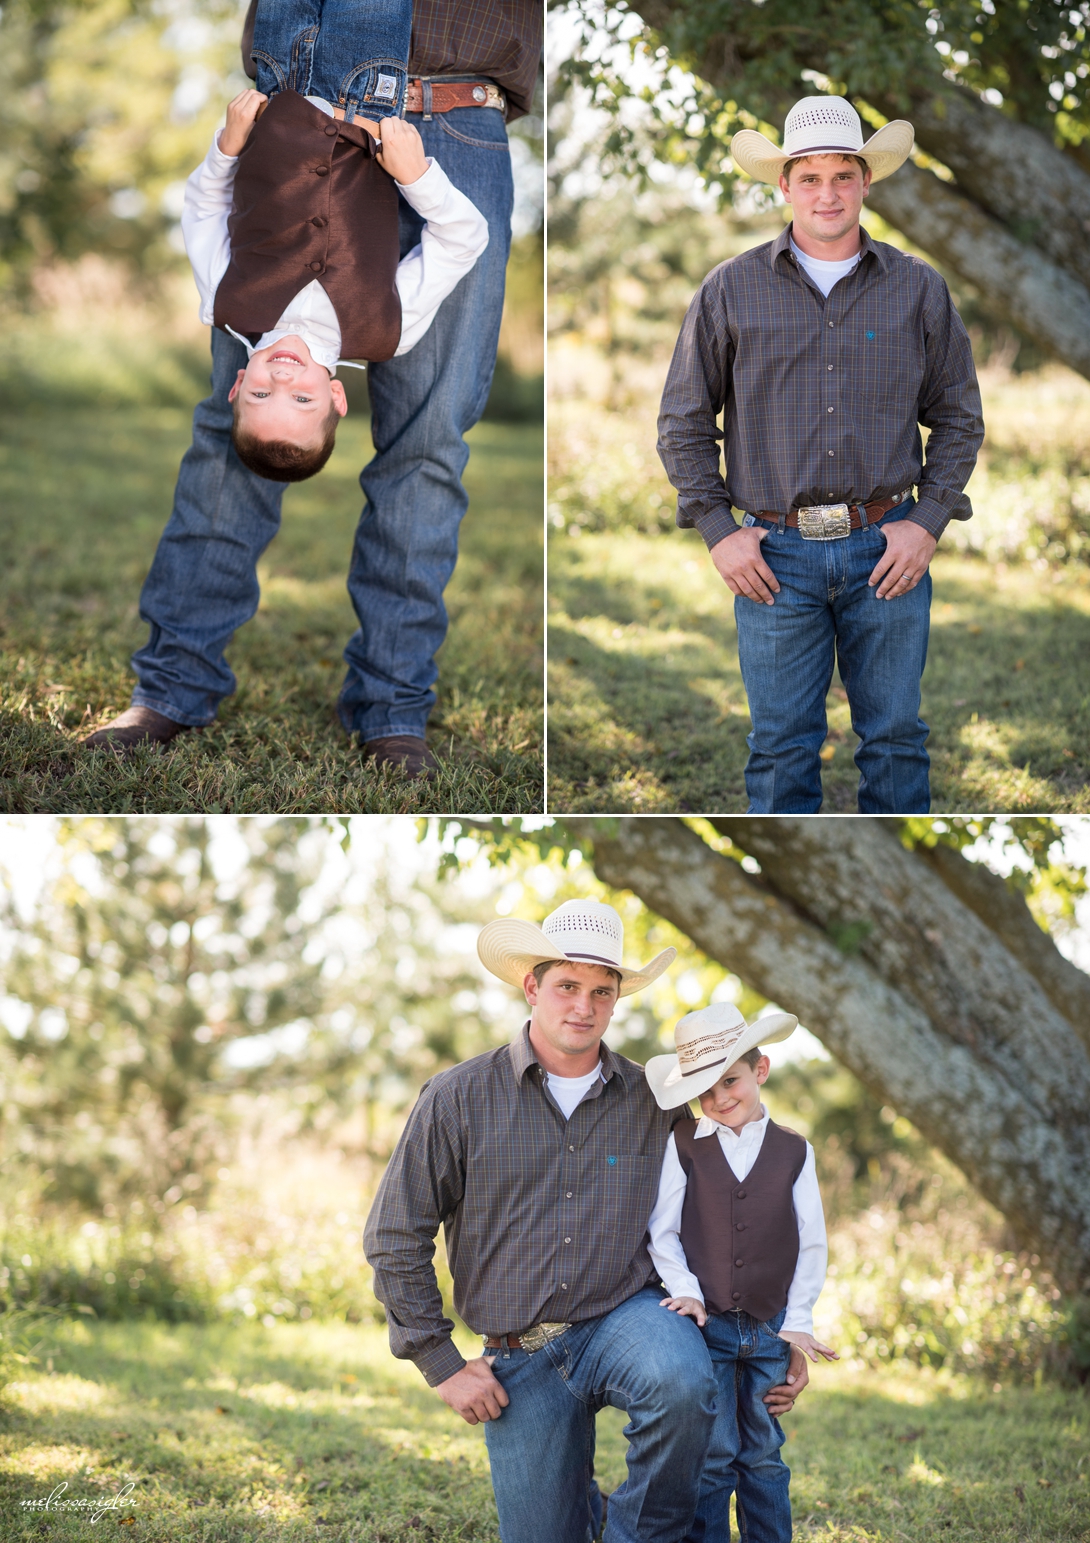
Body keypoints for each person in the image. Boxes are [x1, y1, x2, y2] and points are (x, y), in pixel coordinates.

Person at [82, 0, 542, 780]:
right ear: (332, 397)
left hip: (450, 121)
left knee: (427, 450)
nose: (282, 383)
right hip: (296, 108)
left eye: (271, 395)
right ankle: (174, 685)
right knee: (228, 458)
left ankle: (392, 704)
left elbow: (201, 209)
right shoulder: (286, 342)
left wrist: (231, 155)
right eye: (293, 398)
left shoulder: (238, 310)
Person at [363, 898, 811, 1543]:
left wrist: (781, 1331)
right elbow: (394, 1233)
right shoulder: (458, 1098)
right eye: (567, 986)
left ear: (616, 998)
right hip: (519, 1351)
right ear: (532, 986)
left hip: (628, 1318)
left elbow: (738, 1209)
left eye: (602, 991)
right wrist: (441, 1362)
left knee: (683, 1385)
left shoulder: (654, 1102)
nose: (584, 1006)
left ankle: (636, 1534)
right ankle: (585, 1514)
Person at [658, 96, 985, 814]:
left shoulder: (918, 288)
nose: (828, 193)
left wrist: (926, 521)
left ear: (867, 181)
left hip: (887, 549)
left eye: (843, 175)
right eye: (810, 177)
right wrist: (720, 533)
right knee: (780, 746)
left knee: (897, 739)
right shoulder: (730, 289)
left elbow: (959, 417)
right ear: (784, 186)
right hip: (775, 555)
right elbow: (683, 422)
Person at [645, 1004, 838, 1541]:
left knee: (762, 1454)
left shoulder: (795, 1151)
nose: (719, 1098)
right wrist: (685, 1291)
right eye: (704, 1090)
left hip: (770, 1326)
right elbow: (663, 1231)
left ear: (761, 1070)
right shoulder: (683, 1143)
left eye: (729, 1080)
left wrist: (798, 1321)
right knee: (712, 1454)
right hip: (706, 1329)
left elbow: (812, 1242)